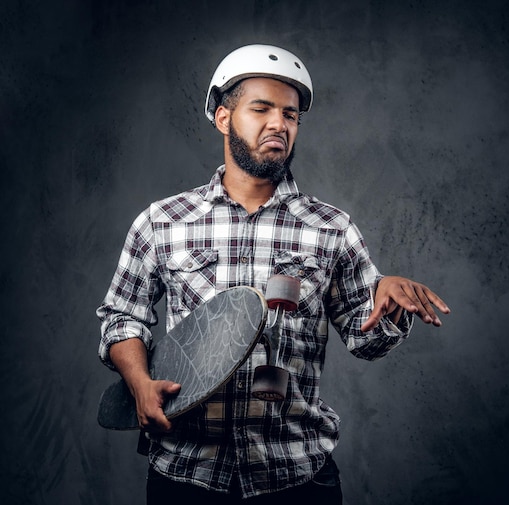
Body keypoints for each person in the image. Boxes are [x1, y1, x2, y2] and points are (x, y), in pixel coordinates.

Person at [97, 44, 449, 504]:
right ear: (223, 118)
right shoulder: (162, 221)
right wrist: (140, 384)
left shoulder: (331, 228)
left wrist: (388, 303)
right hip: (186, 474)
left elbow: (366, 342)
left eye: (291, 115)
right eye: (261, 108)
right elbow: (122, 318)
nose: (279, 124)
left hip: (297, 476)